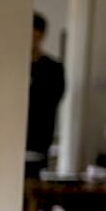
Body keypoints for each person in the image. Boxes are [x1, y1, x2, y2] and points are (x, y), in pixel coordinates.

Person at [27, 11, 65, 178]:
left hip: (38, 139)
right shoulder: (11, 65)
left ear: (41, 35)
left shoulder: (53, 68)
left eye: (34, 35)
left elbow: (52, 101)